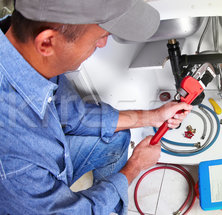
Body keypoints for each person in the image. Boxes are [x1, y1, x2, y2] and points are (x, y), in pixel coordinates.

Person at [0, 0, 190, 214]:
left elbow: (75, 115)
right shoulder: (13, 156)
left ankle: (109, 200)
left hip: (48, 167)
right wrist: (134, 166)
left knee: (116, 137)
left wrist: (152, 117)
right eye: (100, 37)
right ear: (47, 43)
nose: (102, 45)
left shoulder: (24, 53)